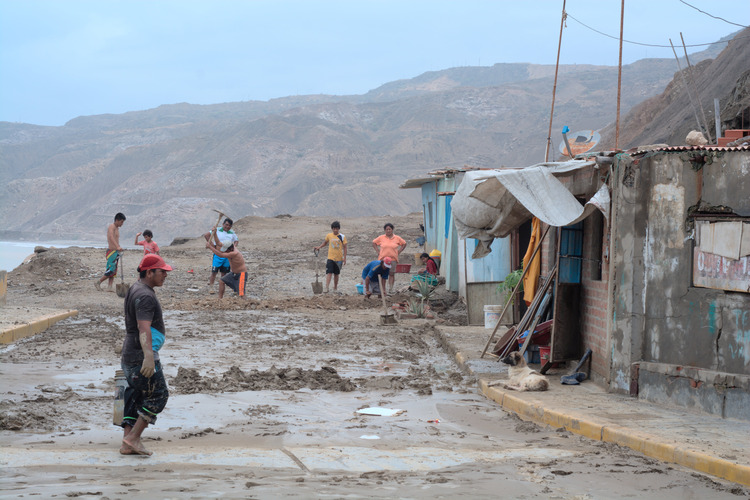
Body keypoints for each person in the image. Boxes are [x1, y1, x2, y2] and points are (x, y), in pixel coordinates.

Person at [119, 254, 173, 456]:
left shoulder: (136, 288)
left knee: (136, 395)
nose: (165, 275)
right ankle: (133, 438)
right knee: (159, 395)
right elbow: (144, 328)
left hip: (130, 354)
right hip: (140, 356)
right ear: (149, 272)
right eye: (162, 271)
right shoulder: (146, 296)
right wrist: (149, 357)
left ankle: (127, 443)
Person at [203, 218, 239, 296]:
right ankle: (211, 288)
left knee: (224, 273)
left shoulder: (232, 233)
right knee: (214, 272)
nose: (227, 226)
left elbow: (236, 240)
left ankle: (222, 289)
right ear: (223, 224)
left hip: (227, 256)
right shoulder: (217, 230)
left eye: (229, 225)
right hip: (217, 254)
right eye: (226, 224)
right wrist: (212, 245)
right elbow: (206, 235)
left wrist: (234, 247)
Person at [313, 221, 348, 294]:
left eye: (337, 229)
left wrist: (344, 258)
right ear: (332, 229)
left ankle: (335, 288)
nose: (335, 230)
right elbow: (325, 243)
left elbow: (345, 247)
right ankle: (327, 288)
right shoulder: (329, 235)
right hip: (330, 258)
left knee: (336, 274)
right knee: (329, 273)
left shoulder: (342, 236)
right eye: (334, 228)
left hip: (339, 259)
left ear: (339, 229)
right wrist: (319, 247)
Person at [372, 223, 406, 294]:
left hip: (393, 259)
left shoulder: (397, 238)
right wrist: (378, 251)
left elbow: (404, 243)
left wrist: (398, 252)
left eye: (389, 229)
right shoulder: (381, 237)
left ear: (392, 230)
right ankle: (382, 289)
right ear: (384, 230)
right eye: (386, 229)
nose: (388, 231)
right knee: (381, 274)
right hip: (382, 259)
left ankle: (390, 289)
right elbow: (374, 242)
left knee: (391, 274)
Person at [95, 212, 126, 291]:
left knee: (114, 270)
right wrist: (117, 246)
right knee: (110, 269)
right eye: (121, 222)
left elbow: (116, 239)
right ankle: (98, 282)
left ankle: (109, 287)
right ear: (117, 220)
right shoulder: (111, 227)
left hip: (116, 251)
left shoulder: (117, 228)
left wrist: (119, 248)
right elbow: (111, 237)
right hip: (111, 251)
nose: (122, 224)